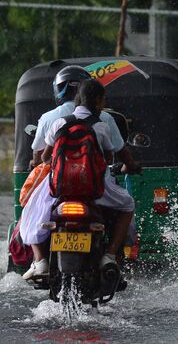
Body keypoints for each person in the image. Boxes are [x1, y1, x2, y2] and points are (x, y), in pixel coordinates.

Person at [20, 79, 137, 280]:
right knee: (128, 205)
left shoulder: (58, 122)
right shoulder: (101, 126)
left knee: (31, 208)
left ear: (77, 99)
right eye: (103, 100)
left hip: (58, 188)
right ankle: (109, 255)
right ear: (99, 101)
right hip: (94, 189)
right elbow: (108, 158)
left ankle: (39, 261)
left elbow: (46, 157)